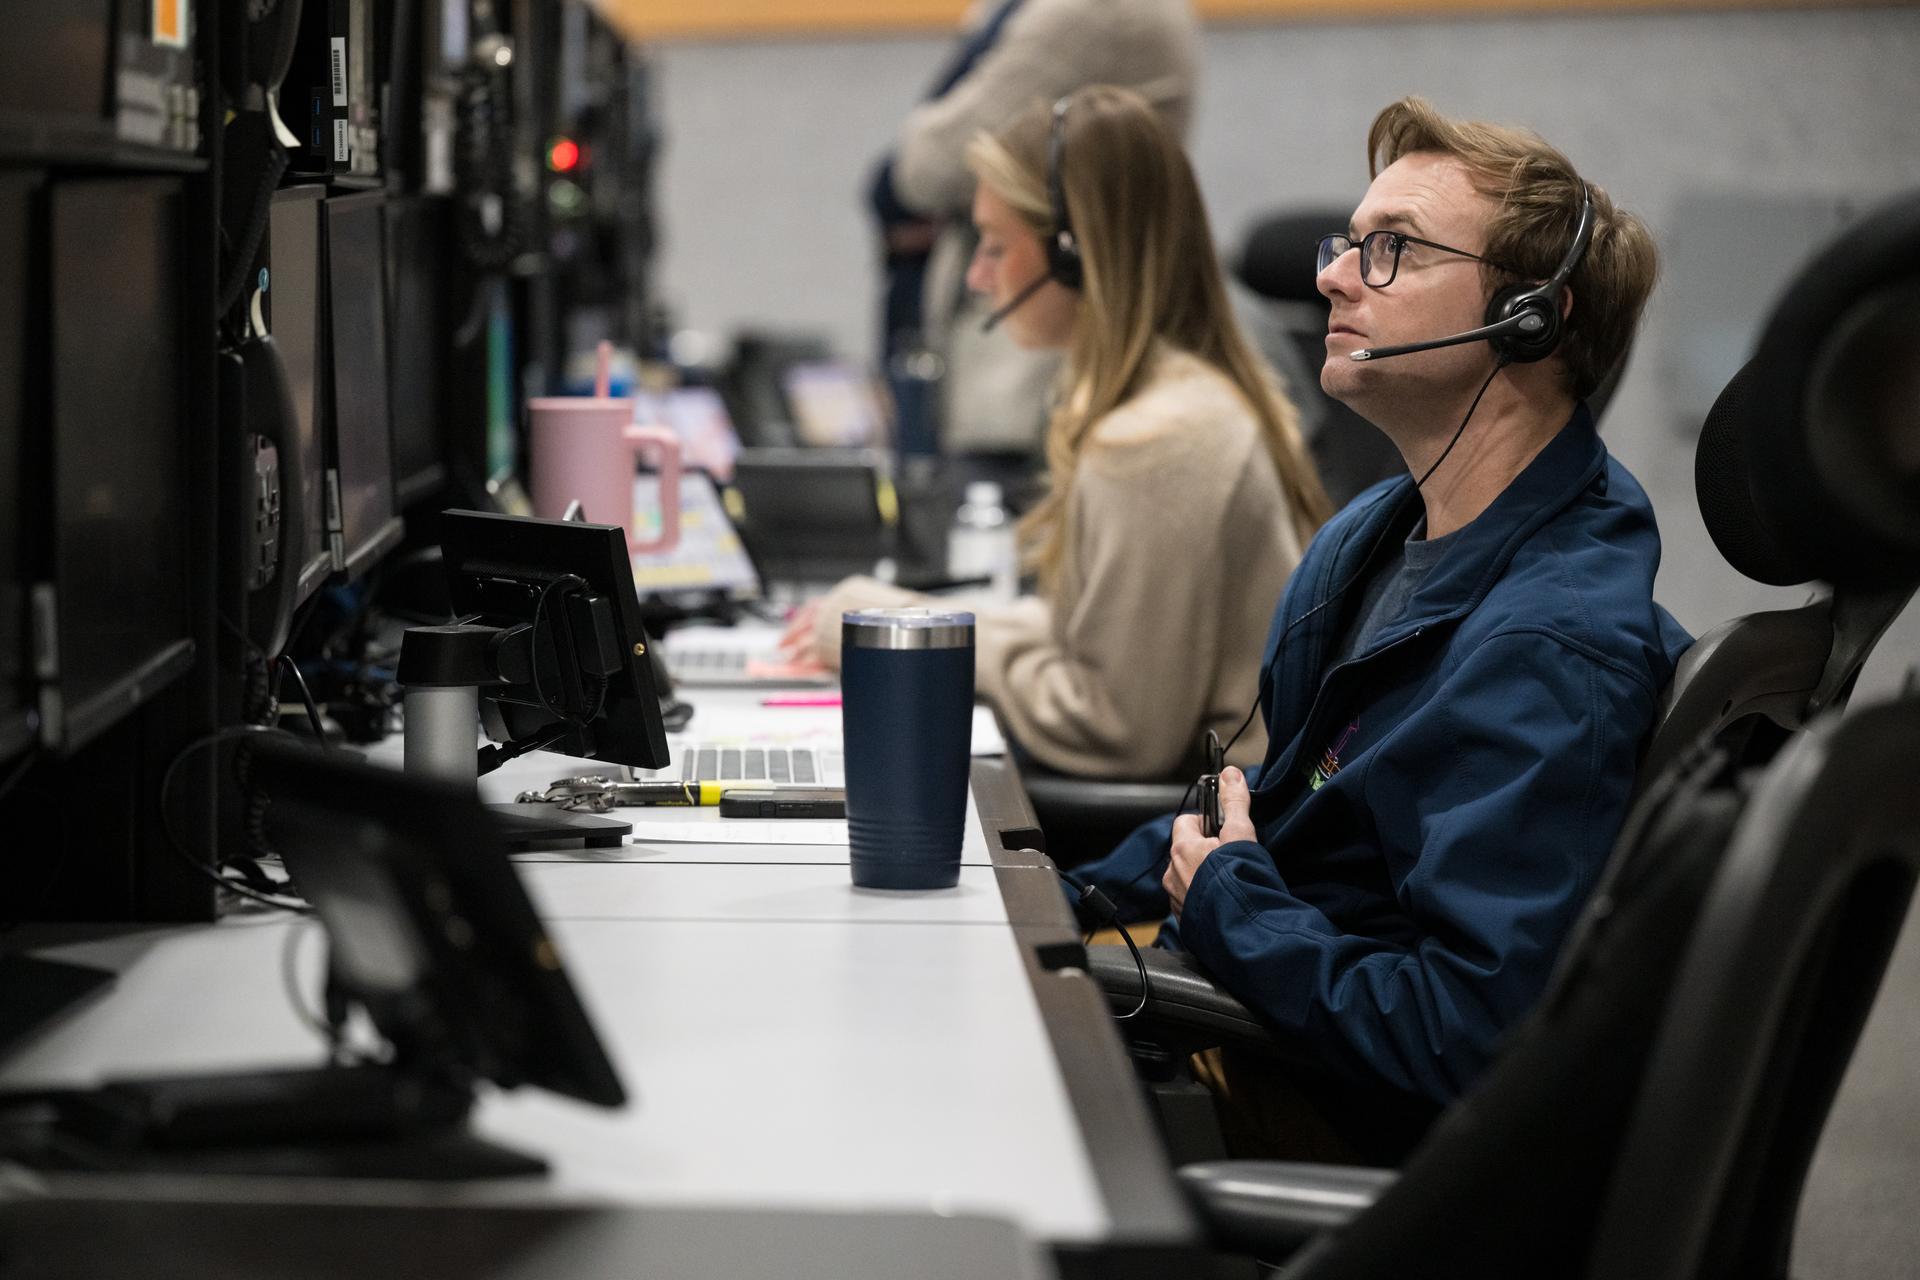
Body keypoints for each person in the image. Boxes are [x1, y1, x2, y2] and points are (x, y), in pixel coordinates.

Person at [1066, 97, 1693, 1162]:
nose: (1332, 278)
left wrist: (1230, 904)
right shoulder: (1372, 540)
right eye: (1347, 245)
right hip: (1267, 1013)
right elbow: (1271, 810)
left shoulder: (1547, 651)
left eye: (1391, 249)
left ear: (1529, 317)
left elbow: (1470, 1035)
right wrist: (1041, 887)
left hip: (1345, 1120)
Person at [787, 87, 1332, 780]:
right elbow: (1086, 640)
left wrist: (896, 635)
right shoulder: (1179, 396)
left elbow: (1111, 726)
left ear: (1076, 253)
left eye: (993, 246)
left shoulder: (1156, 441)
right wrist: (892, 620)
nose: (979, 279)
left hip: (1171, 838)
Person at [869, 0, 1199, 455]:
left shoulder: (1092, 12)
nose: (979, 275)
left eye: (996, 246)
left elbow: (928, 168)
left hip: (1041, 369)